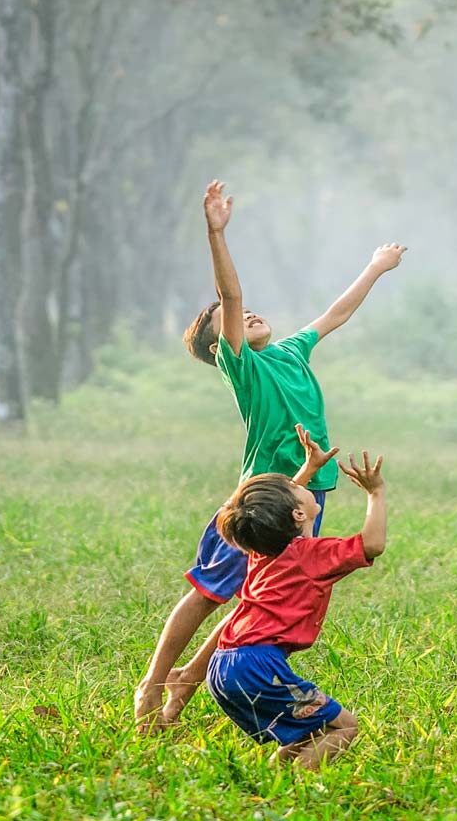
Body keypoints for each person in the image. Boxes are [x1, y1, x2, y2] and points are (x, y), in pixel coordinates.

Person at [132, 178, 405, 729]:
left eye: (250, 312)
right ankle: (154, 682)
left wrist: (376, 267)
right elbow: (231, 295)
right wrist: (216, 234)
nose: (246, 313)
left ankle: (189, 679)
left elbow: (335, 313)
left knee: (260, 594)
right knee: (212, 591)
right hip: (261, 497)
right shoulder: (245, 367)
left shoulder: (292, 351)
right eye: (230, 320)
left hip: (309, 489)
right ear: (221, 343)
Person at [206, 441, 388, 766]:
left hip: (223, 665)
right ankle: (297, 792)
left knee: (309, 733)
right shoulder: (310, 555)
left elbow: (276, 512)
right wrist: (375, 493)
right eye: (295, 487)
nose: (298, 483)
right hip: (257, 666)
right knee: (345, 727)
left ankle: (275, 783)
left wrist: (309, 469)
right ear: (298, 513)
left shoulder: (263, 550)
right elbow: (372, 544)